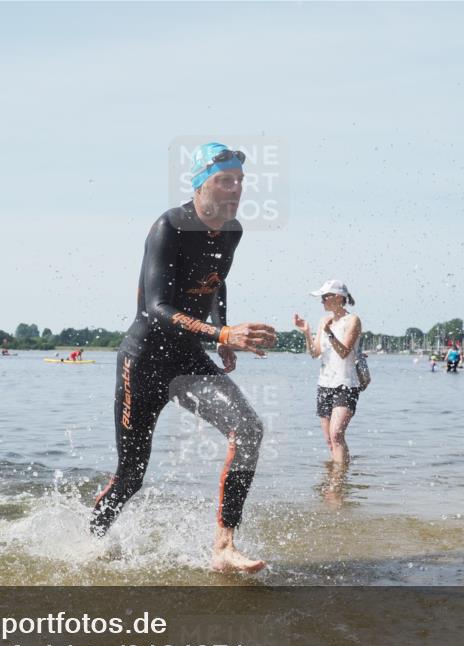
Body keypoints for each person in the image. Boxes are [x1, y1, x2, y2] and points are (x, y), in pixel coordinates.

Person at [91, 142, 277, 573]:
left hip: (188, 359)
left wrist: (222, 332)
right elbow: (155, 308)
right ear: (199, 185)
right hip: (144, 361)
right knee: (131, 477)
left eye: (240, 181)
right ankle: (90, 544)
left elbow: (216, 281)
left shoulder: (232, 231)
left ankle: (223, 547)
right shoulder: (169, 227)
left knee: (248, 429)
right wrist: (221, 332)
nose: (235, 190)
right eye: (224, 181)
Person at [294, 280, 362, 465]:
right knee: (329, 441)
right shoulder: (323, 321)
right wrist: (307, 332)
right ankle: (335, 476)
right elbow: (315, 353)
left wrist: (329, 332)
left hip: (346, 384)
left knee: (337, 434)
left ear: (338, 297)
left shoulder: (353, 320)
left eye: (325, 297)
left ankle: (340, 477)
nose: (322, 301)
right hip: (324, 384)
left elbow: (344, 352)